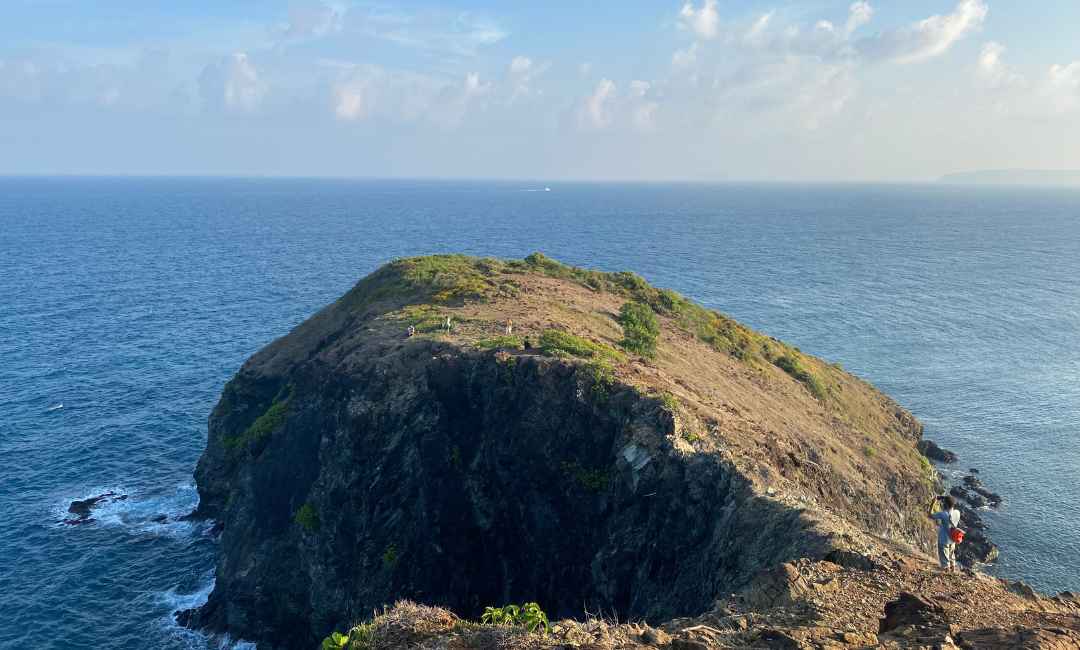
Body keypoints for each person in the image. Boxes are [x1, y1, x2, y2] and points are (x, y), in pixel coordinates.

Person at [929, 495, 961, 571]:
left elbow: (930, 515)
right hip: (952, 539)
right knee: (951, 557)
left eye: (943, 503)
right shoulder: (957, 513)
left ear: (945, 504)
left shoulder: (943, 514)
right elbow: (950, 502)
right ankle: (953, 573)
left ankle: (945, 575)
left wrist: (933, 503)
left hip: (943, 540)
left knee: (945, 562)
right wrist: (943, 498)